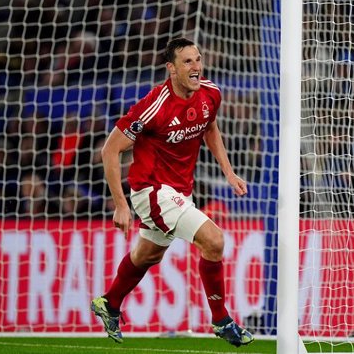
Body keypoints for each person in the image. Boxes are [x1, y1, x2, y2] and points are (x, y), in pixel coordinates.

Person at [90, 38, 253, 347]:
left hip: (178, 191)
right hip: (150, 190)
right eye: (188, 62)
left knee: (147, 255)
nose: (196, 67)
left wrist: (228, 172)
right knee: (214, 240)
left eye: (198, 59)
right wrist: (120, 205)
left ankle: (109, 303)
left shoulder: (210, 94)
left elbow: (209, 127)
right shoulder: (154, 106)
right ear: (171, 68)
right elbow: (111, 150)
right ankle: (221, 320)